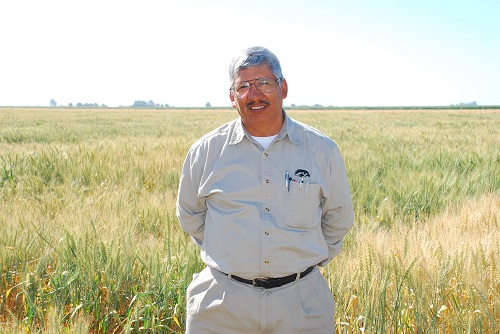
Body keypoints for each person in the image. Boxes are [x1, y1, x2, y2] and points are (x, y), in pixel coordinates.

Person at [176, 46, 354, 333]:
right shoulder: (205, 152)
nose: (254, 94)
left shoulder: (322, 151)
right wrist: (230, 257)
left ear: (283, 88)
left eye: (264, 83)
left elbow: (338, 219)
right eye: (243, 86)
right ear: (232, 97)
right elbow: (190, 216)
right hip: (222, 306)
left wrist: (300, 265)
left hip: (300, 304)